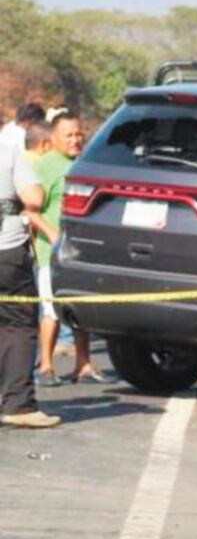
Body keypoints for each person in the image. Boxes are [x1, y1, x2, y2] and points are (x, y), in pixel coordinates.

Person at [31, 110, 110, 386]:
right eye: (69, 135)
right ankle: (46, 366)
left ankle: (83, 364)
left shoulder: (86, 165)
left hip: (82, 252)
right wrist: (51, 233)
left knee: (80, 309)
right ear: (52, 138)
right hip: (50, 255)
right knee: (51, 310)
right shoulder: (44, 168)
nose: (76, 140)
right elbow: (29, 211)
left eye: (79, 134)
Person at [0, 142, 60, 428]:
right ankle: (18, 404)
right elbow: (34, 197)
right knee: (18, 325)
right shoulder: (7, 150)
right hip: (6, 254)